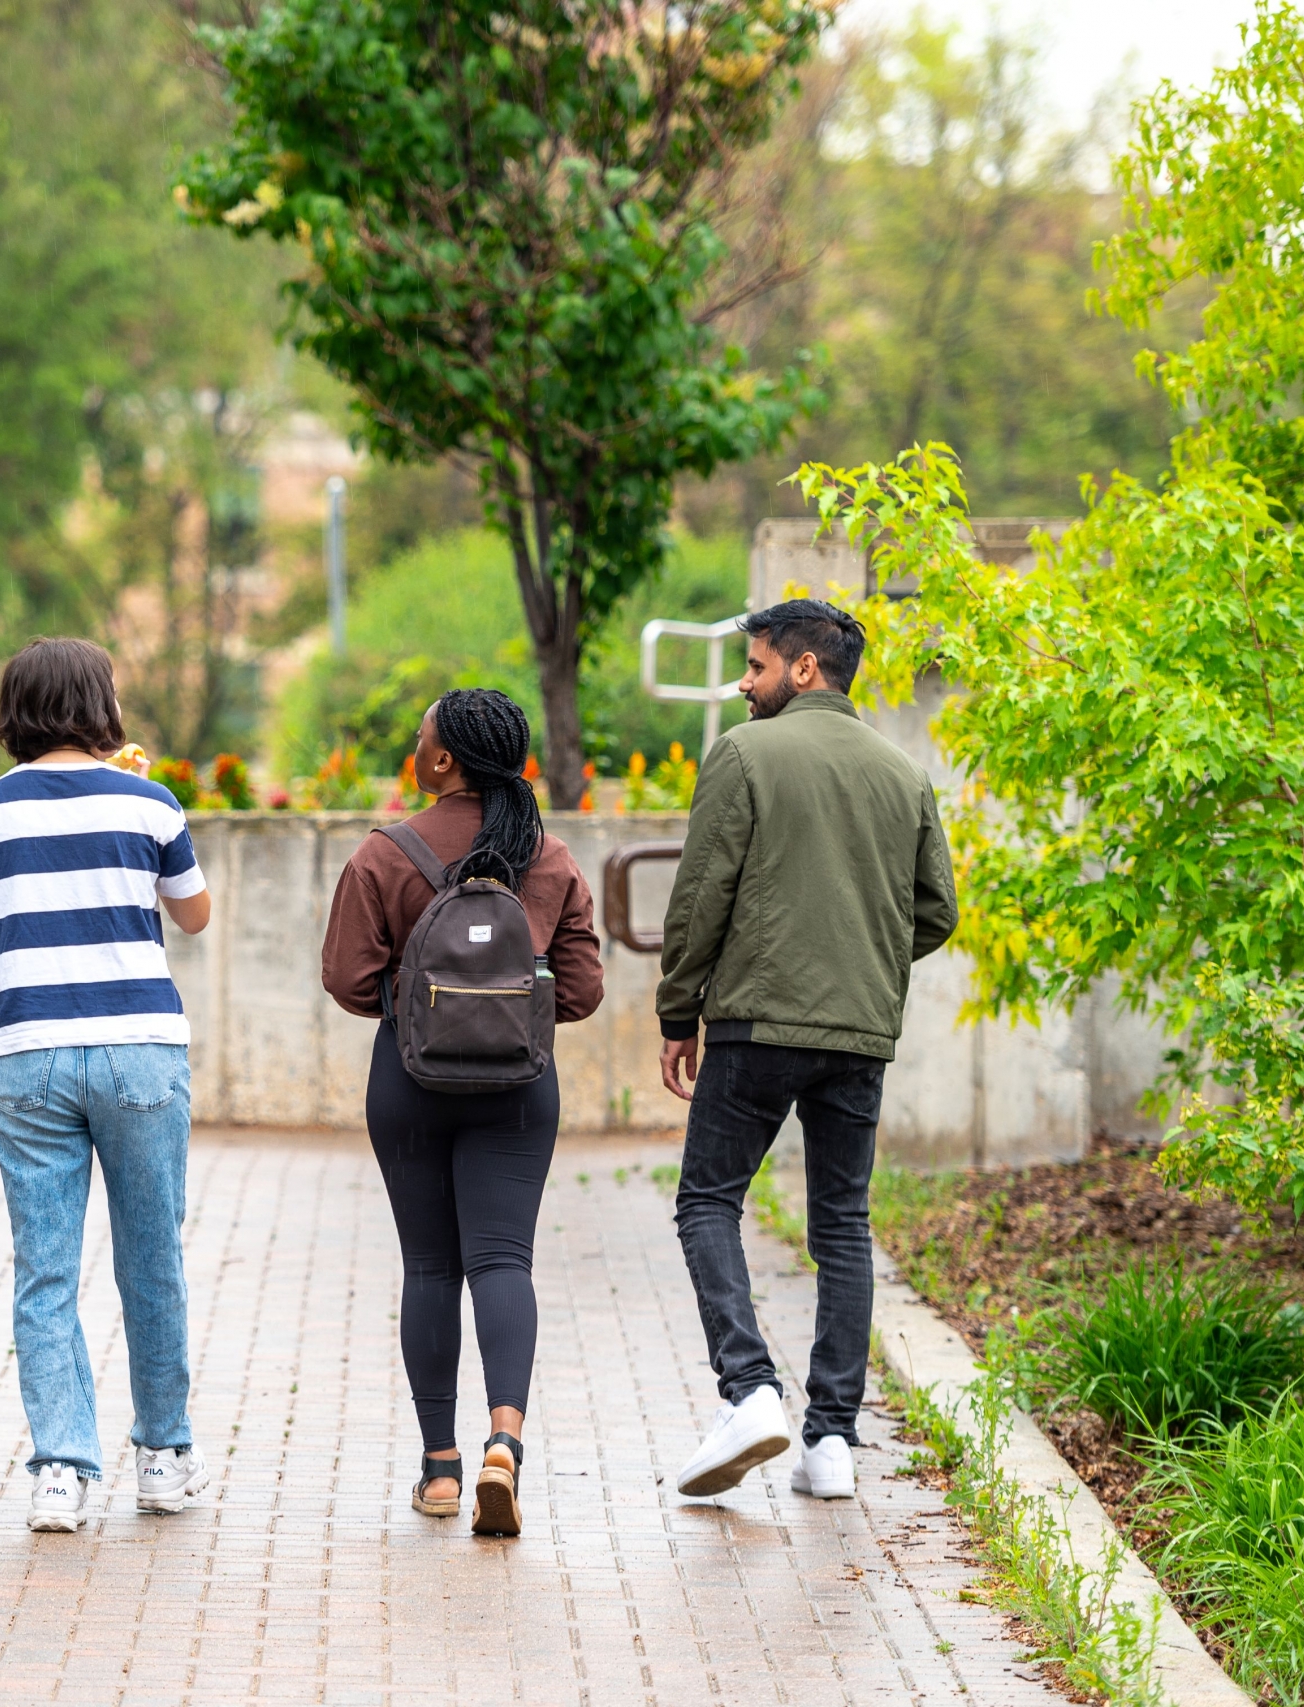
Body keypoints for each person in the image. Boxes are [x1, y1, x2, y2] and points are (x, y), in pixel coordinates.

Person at [655, 599, 956, 1502]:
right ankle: (832, 1442)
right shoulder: (903, 774)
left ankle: (749, 1388)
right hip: (859, 1032)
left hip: (756, 1022)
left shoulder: (744, 754)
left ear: (805, 670)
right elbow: (935, 910)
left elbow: (702, 895)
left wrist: (679, 1011)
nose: (743, 684)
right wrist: (858, 960)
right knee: (842, 1223)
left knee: (708, 1199)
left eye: (754, 667)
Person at [0, 637, 215, 1532]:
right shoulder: (149, 801)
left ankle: (61, 1468)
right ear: (100, 703)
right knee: (151, 1257)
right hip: (139, 1051)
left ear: (14, 708)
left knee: (44, 1270)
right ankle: (164, 1457)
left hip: (29, 1054)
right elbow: (196, 915)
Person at [321, 688, 603, 1537]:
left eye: (420, 739)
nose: (415, 749)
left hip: (409, 1082)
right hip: (520, 1088)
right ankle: (504, 1443)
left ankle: (440, 1470)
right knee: (503, 1262)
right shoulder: (547, 857)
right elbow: (583, 990)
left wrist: (421, 1008)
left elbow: (345, 979)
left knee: (431, 1269)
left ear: (442, 762)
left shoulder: (384, 854)